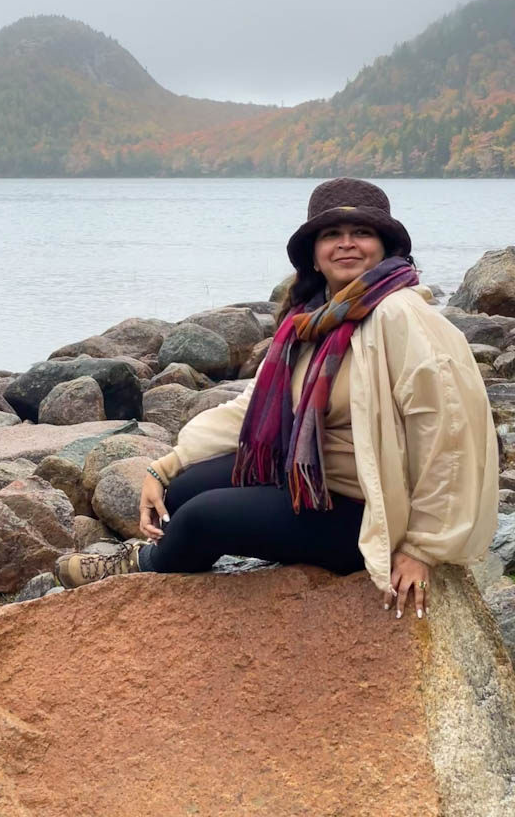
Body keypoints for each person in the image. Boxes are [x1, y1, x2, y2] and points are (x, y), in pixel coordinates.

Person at [55, 177, 498, 619]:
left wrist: (421, 548)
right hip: (313, 481)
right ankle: (177, 550)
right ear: (314, 255)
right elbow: (250, 409)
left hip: (370, 511)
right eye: (331, 234)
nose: (346, 244)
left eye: (362, 232)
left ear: (385, 247)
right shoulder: (312, 319)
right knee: (182, 490)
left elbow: (450, 436)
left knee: (203, 516)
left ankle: (143, 564)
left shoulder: (402, 318)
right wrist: (165, 465)